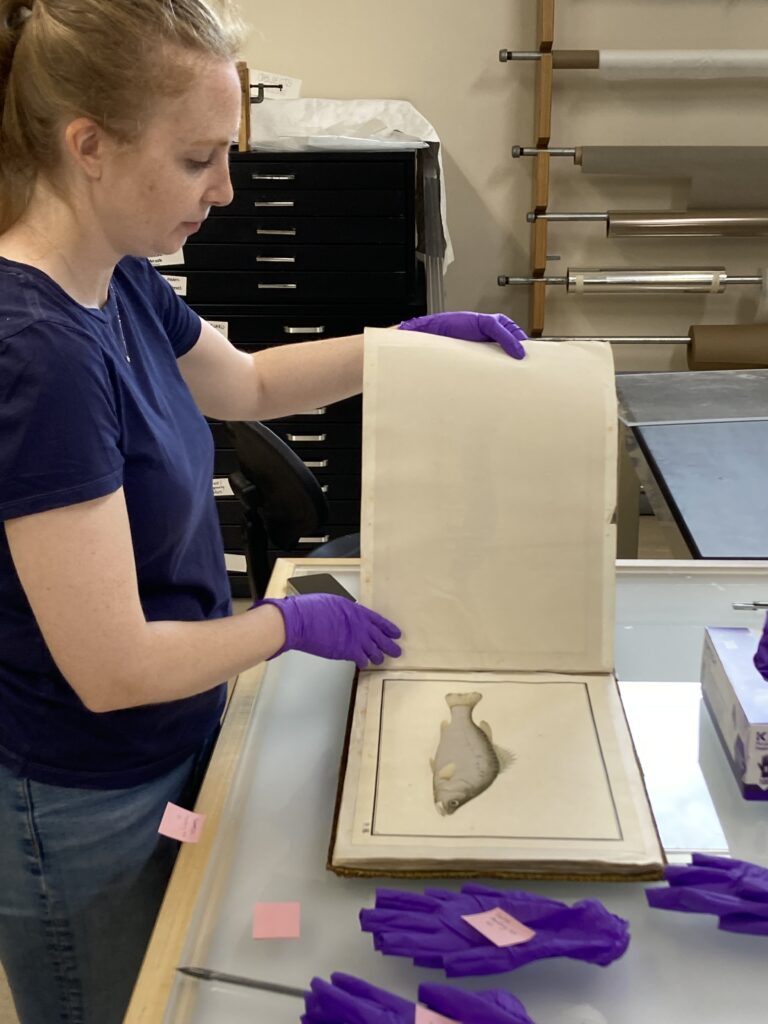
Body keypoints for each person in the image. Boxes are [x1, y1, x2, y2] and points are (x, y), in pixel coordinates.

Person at [0, 1, 527, 1020]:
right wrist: (286, 623)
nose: (226, 190)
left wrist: (402, 346)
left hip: (169, 744)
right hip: (84, 793)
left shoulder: (118, 278)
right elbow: (110, 670)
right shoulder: (38, 353)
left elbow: (242, 383)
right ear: (89, 146)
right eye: (200, 159)